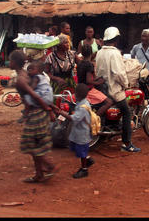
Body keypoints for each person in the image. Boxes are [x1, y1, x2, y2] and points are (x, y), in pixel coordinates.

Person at [10, 51, 57, 182]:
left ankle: (49, 165)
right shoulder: (25, 74)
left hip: (37, 111)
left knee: (30, 144)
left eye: (10, 60)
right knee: (35, 143)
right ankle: (39, 174)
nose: (9, 62)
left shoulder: (21, 79)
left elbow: (35, 95)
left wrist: (47, 108)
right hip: (36, 111)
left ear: (14, 62)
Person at [95, 26, 141, 152]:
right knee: (127, 112)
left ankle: (113, 127)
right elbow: (119, 74)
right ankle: (127, 144)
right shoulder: (115, 53)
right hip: (113, 90)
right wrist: (126, 84)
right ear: (116, 39)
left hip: (102, 89)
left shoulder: (99, 52)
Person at [57, 82, 95, 178]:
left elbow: (73, 118)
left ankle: (84, 169)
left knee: (81, 151)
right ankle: (88, 159)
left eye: (75, 93)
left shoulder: (83, 107)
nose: (74, 95)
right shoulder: (82, 102)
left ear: (78, 95)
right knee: (76, 149)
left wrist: (61, 112)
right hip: (78, 132)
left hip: (82, 134)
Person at [76, 44, 114, 117]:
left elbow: (85, 77)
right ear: (91, 53)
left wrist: (99, 78)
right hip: (88, 90)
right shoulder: (89, 65)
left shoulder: (80, 63)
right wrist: (99, 82)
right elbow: (89, 80)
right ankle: (94, 119)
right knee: (109, 102)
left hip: (80, 88)